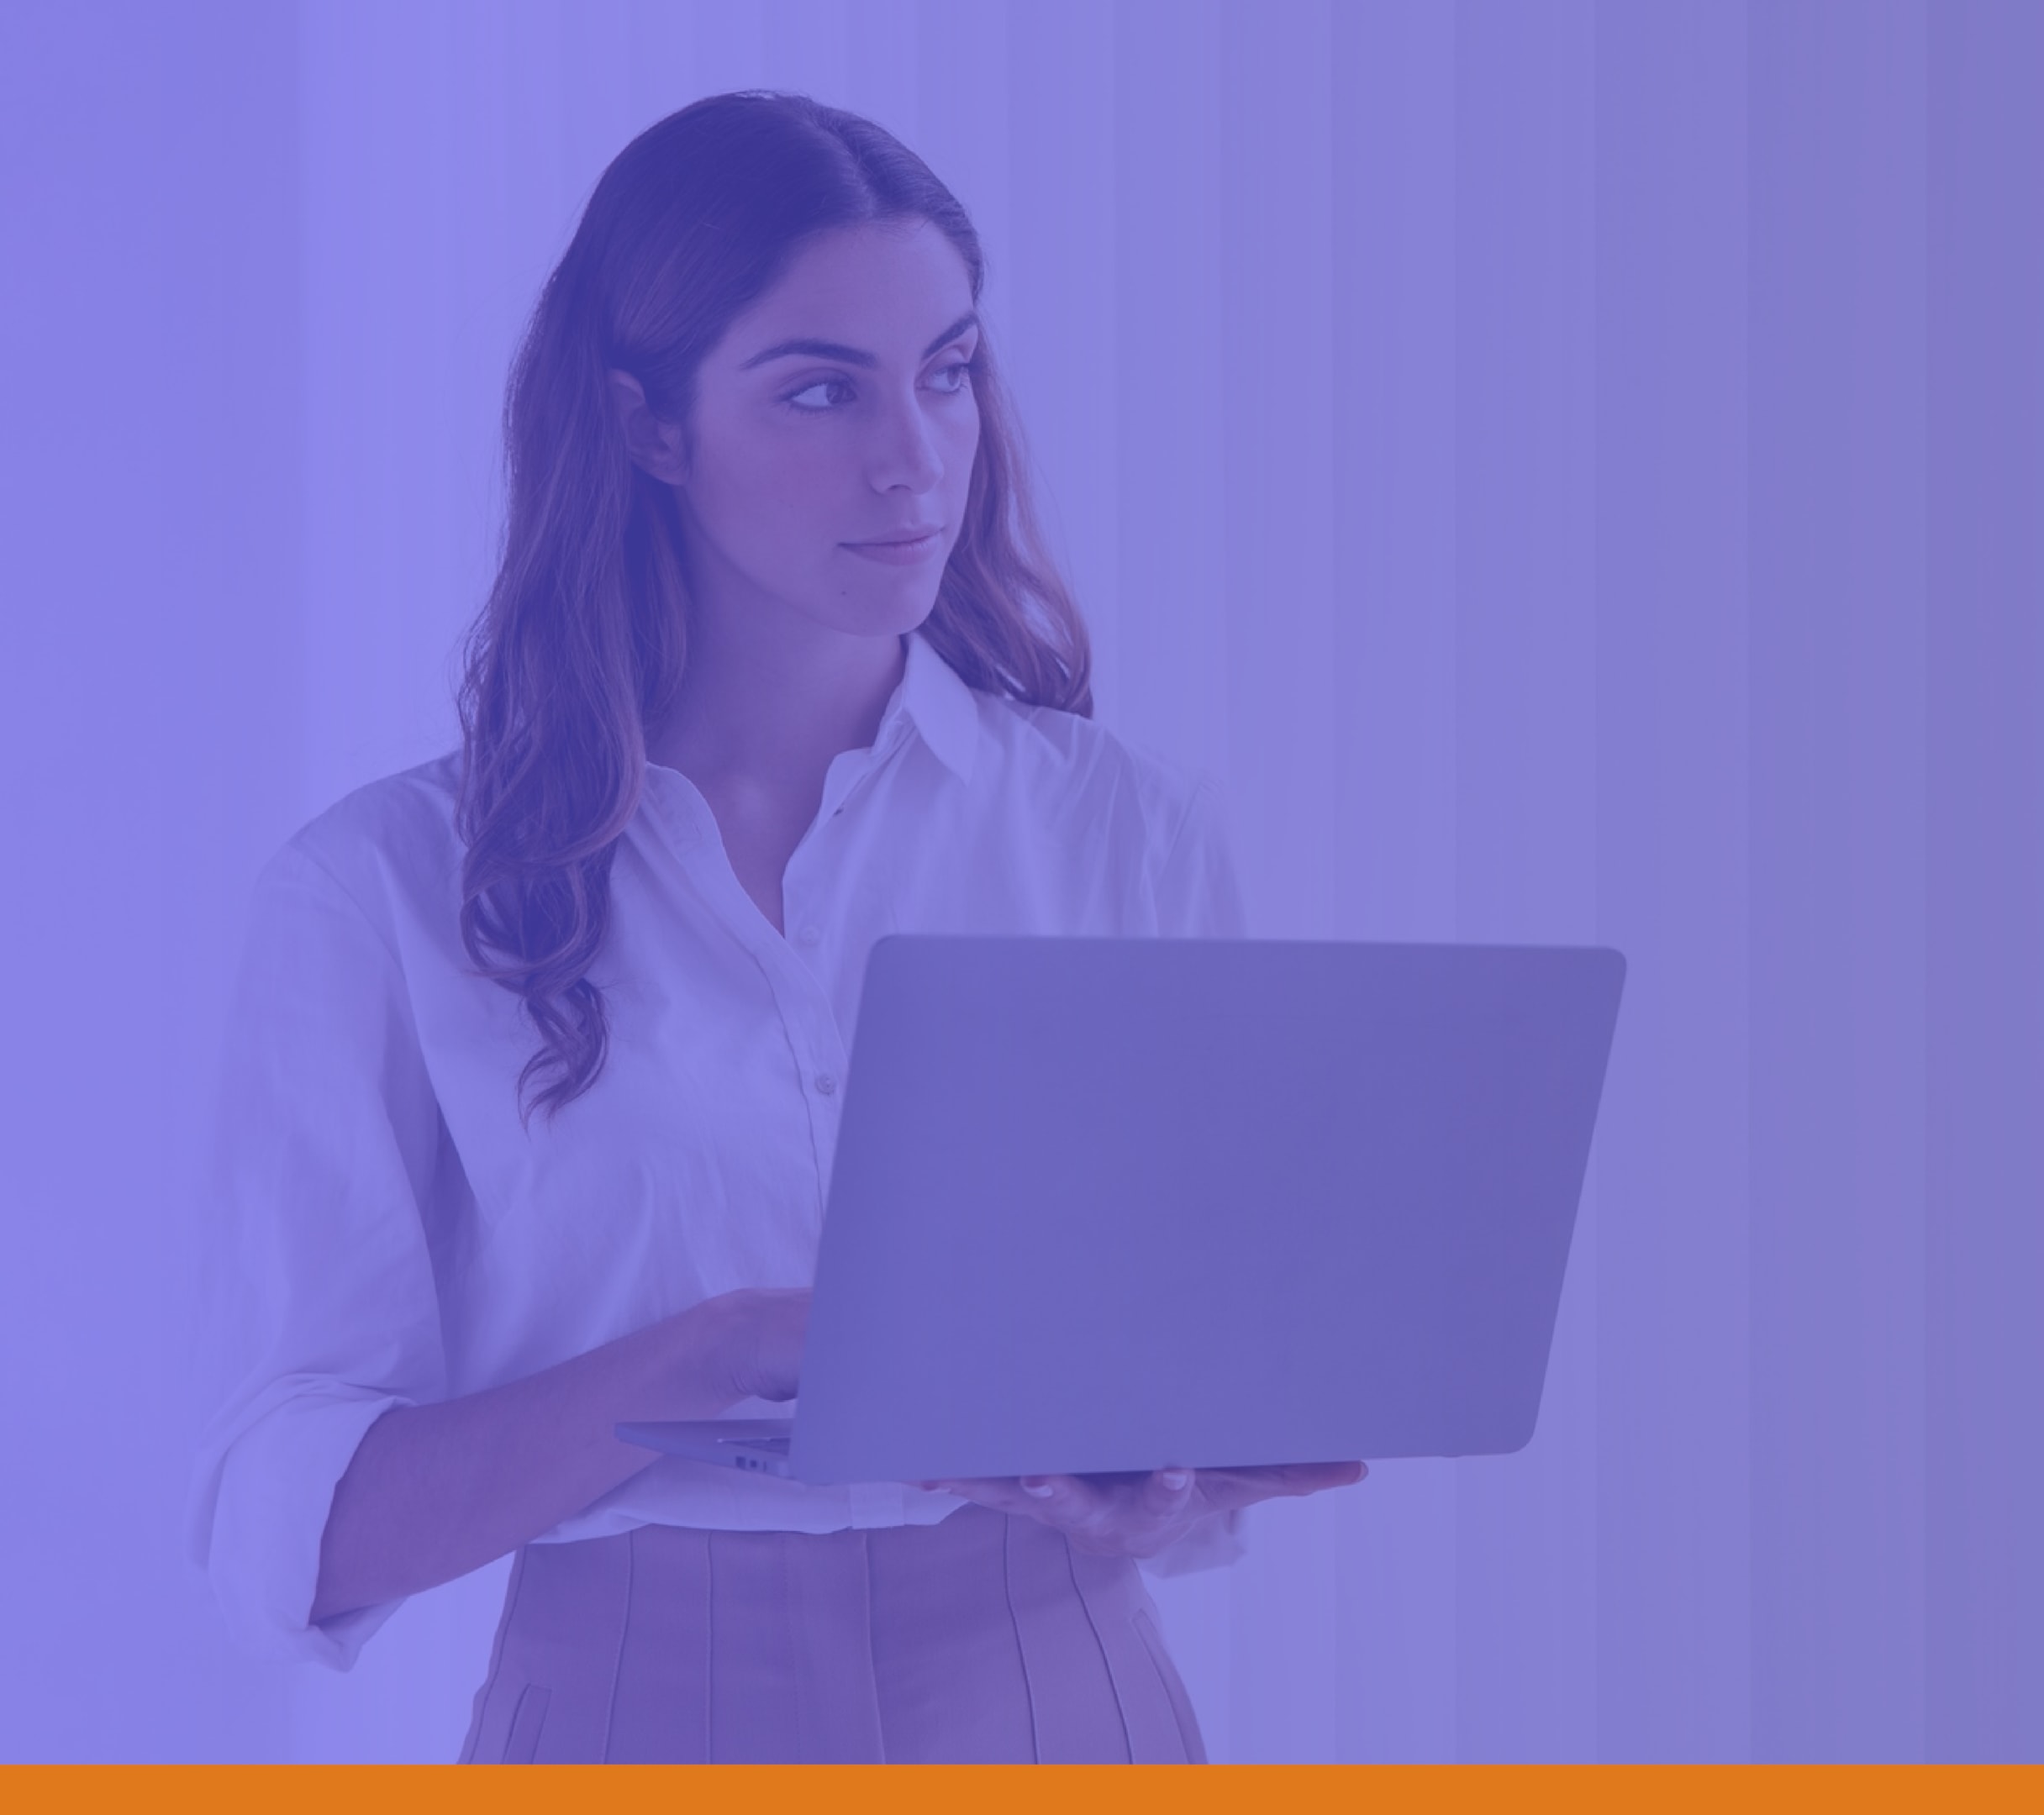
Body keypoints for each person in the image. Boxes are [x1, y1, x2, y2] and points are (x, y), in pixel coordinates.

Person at [185, 92, 1362, 1765]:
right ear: (648, 426)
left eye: (947, 372)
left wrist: (1168, 1477)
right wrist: (715, 1355)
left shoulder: (1122, 831)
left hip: (1056, 1689)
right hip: (625, 1706)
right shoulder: (385, 888)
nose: (912, 456)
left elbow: (1194, 1382)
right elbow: (283, 1517)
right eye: (822, 388)